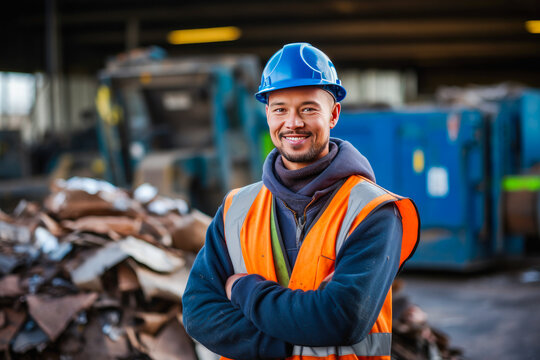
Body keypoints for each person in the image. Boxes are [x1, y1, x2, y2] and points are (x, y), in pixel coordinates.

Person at [182, 42, 420, 360]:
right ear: (267, 114)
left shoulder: (371, 211)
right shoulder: (236, 209)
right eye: (280, 109)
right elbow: (199, 312)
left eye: (308, 108)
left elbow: (340, 318)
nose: (293, 123)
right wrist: (283, 345)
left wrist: (243, 289)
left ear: (333, 114)